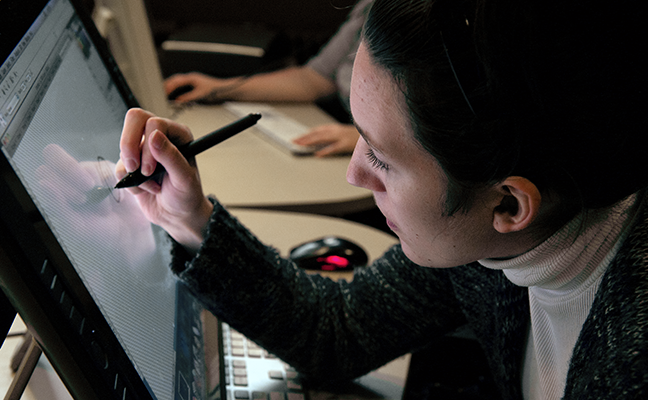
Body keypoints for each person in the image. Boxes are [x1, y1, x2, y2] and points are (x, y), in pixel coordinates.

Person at [116, 0, 648, 399]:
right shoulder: (493, 238)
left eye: (381, 157)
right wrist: (191, 218)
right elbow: (339, 332)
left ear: (509, 205)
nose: (354, 173)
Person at [163, 0, 373, 158]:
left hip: (383, 160)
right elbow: (313, 80)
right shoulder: (369, 7)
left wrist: (368, 140)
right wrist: (220, 88)